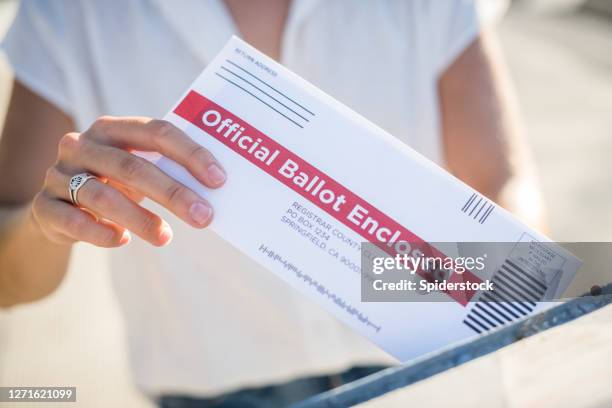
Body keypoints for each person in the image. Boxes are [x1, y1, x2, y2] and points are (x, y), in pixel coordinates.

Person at [0, 0, 542, 406]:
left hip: (426, 375)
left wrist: (390, 274)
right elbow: (9, 282)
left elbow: (504, 199)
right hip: (216, 395)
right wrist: (52, 223)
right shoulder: (73, 13)